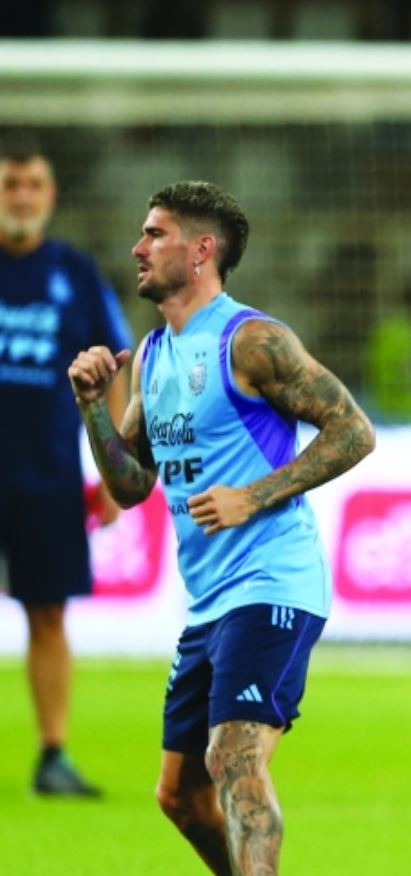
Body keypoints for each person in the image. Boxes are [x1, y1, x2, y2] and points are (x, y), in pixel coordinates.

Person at [68, 180, 375, 874]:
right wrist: (91, 406)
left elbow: (354, 431)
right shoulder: (153, 356)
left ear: (201, 249)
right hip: (209, 601)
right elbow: (131, 484)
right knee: (179, 797)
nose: (137, 247)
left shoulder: (252, 340)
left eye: (155, 234)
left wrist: (254, 497)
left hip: (273, 581)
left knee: (233, 754)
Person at [0, 138, 131, 797]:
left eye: (33, 185)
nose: (21, 196)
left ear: (50, 195)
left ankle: (53, 755)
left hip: (46, 474)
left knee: (48, 614)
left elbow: (115, 366)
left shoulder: (75, 273)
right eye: (10, 184)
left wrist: (115, 465)